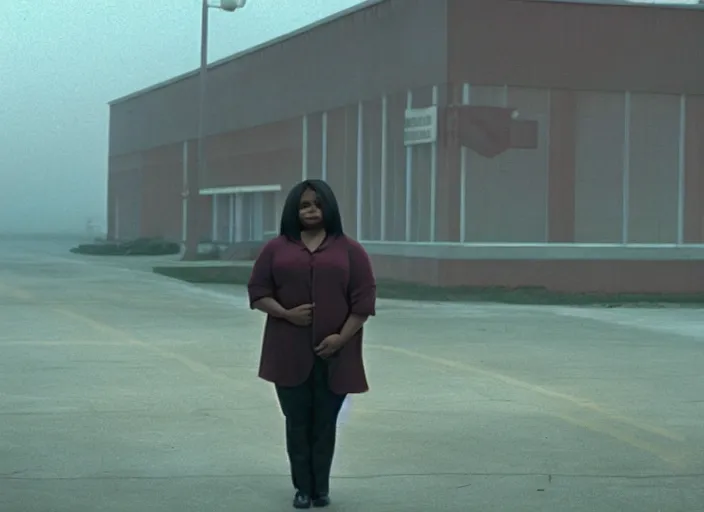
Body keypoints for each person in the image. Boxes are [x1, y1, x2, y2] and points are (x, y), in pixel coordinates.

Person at [247, 179, 377, 509]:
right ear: (294, 209)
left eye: (317, 205)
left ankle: (321, 489)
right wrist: (286, 314)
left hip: (336, 354)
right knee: (297, 423)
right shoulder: (276, 249)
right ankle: (302, 489)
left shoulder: (349, 250)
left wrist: (340, 338)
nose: (311, 210)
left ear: (328, 209)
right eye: (304, 205)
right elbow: (258, 292)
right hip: (287, 352)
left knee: (325, 425)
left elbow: (363, 303)